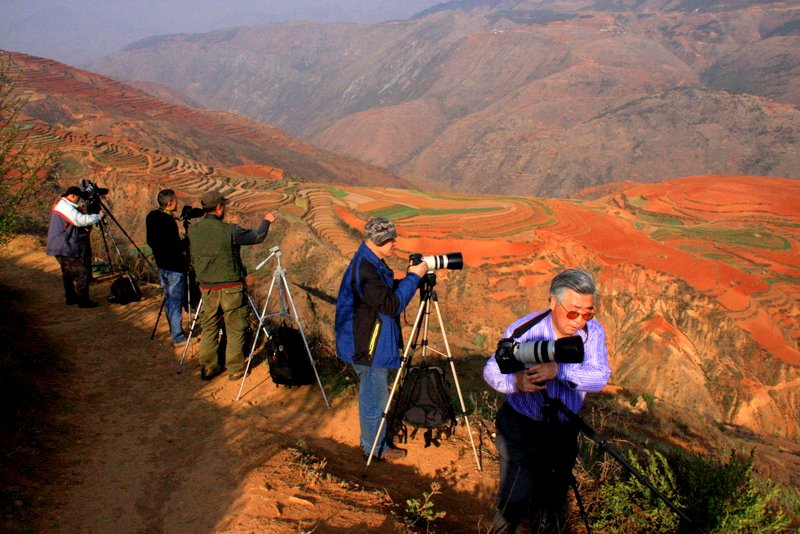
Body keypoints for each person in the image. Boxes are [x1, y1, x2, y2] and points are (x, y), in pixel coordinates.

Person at [483, 268, 611, 533]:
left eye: (589, 312)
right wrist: (516, 383)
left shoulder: (593, 333)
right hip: (521, 429)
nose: (580, 320)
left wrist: (560, 371)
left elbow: (600, 377)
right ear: (553, 301)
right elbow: (492, 370)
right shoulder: (525, 331)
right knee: (513, 499)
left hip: (562, 431)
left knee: (552, 503)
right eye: (574, 311)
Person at [334, 217, 428, 461]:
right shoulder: (365, 269)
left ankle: (377, 439)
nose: (395, 243)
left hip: (369, 340)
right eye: (391, 239)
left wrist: (409, 279)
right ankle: (374, 449)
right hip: (368, 346)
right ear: (379, 240)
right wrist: (414, 279)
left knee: (376, 395)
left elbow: (381, 293)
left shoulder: (370, 261)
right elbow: (391, 304)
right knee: (374, 400)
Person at [189, 190, 276, 381]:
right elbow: (258, 236)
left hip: (207, 288)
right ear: (220, 207)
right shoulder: (230, 231)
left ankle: (208, 366)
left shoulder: (193, 230)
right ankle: (235, 369)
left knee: (209, 326)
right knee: (235, 326)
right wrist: (267, 220)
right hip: (231, 287)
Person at [46, 185, 104, 308]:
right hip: (63, 246)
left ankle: (71, 297)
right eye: (78, 197)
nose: (80, 200)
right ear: (73, 196)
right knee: (81, 273)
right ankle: (84, 301)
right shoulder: (65, 207)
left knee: (67, 273)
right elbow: (80, 220)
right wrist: (98, 217)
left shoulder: (64, 205)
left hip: (60, 245)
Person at [146, 189, 189, 345]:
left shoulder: (151, 216)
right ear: (170, 203)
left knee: (169, 298)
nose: (178, 203)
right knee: (176, 301)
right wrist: (188, 240)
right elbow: (177, 248)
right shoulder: (168, 221)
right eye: (176, 201)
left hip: (162, 264)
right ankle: (178, 336)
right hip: (175, 267)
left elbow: (151, 241)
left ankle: (174, 329)